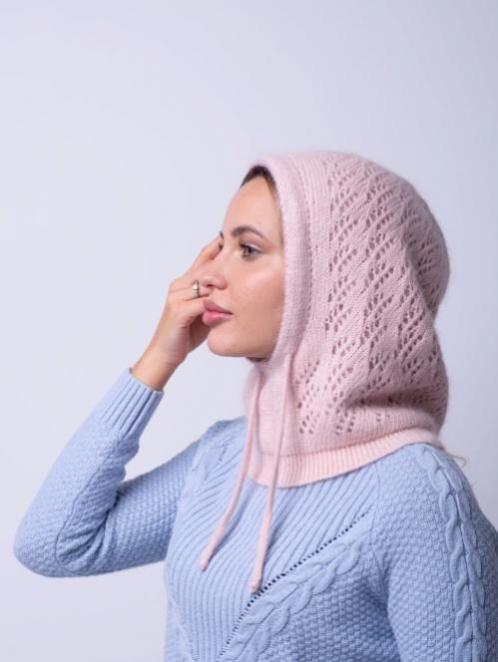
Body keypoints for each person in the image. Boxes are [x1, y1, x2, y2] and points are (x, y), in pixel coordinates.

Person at [14, 150, 498, 661]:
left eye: (247, 249)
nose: (207, 276)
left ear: (338, 282)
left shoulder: (415, 493)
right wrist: (158, 358)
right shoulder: (225, 457)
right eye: (218, 246)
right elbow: (54, 545)